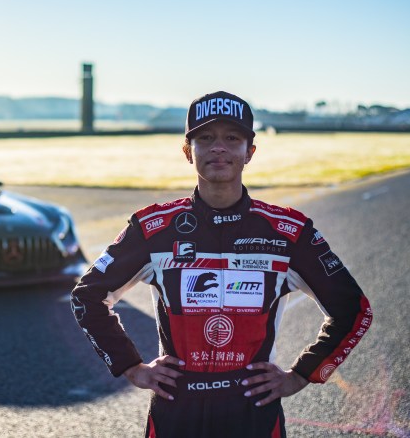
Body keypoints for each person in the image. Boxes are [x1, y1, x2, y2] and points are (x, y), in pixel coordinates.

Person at [70, 91, 373, 437]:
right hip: (175, 411)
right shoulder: (153, 229)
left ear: (249, 152)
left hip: (254, 413)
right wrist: (131, 367)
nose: (218, 148)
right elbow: (87, 297)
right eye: (205, 138)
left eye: (232, 138)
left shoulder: (288, 232)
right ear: (188, 152)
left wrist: (302, 374)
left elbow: (354, 310)